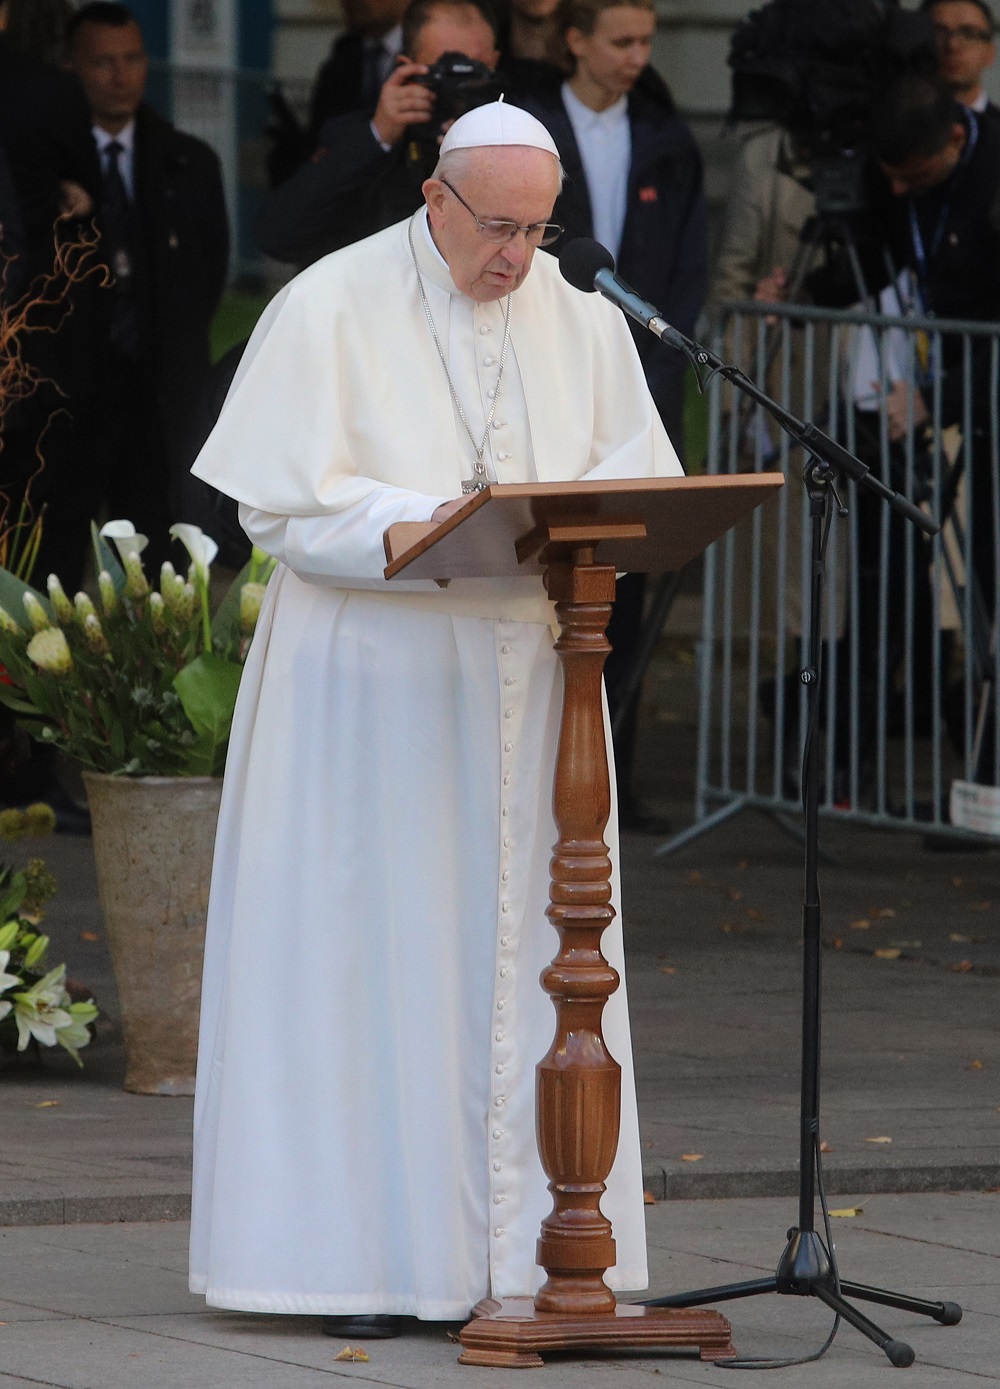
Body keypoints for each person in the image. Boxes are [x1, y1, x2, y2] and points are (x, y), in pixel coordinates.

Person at [189, 101, 681, 1340]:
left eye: (537, 227)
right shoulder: (331, 304)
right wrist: (418, 523)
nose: (516, 255)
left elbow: (640, 486)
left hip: (536, 675)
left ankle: (535, 1249)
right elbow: (283, 514)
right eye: (498, 226)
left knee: (534, 958)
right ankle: (357, 1261)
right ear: (436, 201)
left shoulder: (578, 313)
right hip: (374, 690)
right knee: (374, 958)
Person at [522, 0, 707, 827]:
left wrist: (659, 367)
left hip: (643, 380)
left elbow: (685, 266)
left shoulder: (667, 138)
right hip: (550, 379)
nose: (637, 56)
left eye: (647, 42)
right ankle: (537, 766)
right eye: (621, 40)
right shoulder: (535, 132)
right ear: (576, 42)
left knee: (619, 583)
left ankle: (612, 773)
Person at [62, 2, 229, 578]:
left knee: (162, 561)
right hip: (71, 394)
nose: (120, 75)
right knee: (60, 557)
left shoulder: (188, 162)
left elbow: (209, 275)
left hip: (160, 396)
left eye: (132, 58)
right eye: (102, 61)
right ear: (73, 68)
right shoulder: (47, 164)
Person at [256, 0, 501, 265]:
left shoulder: (519, 138)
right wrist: (377, 137)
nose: (459, 90)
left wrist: (479, 161)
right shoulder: (365, 136)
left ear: (495, 64)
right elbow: (276, 235)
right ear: (407, 68)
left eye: (473, 73)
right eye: (445, 72)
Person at [921, 0, 998, 116]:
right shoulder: (893, 127)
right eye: (938, 33)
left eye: (969, 34)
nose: (952, 45)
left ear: (990, 52)